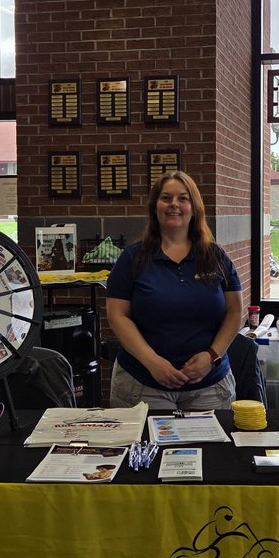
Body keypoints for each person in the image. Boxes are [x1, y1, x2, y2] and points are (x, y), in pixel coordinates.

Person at [106, 171, 245, 411]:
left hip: (209, 387)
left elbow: (234, 312)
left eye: (183, 198)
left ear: (194, 207)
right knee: (144, 449)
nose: (174, 205)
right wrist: (152, 362)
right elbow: (117, 316)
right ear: (155, 207)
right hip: (142, 386)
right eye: (166, 198)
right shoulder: (132, 258)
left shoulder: (216, 257)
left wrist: (211, 357)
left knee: (213, 450)